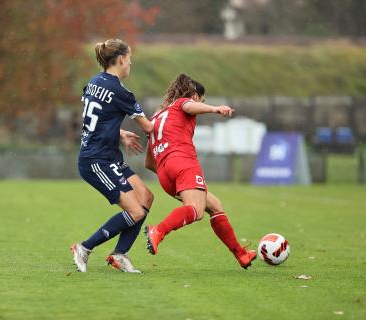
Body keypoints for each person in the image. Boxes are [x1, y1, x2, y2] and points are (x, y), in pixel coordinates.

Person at [144, 73, 257, 269]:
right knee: (196, 211)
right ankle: (158, 231)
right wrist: (215, 108)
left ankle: (241, 255)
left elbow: (148, 163)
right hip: (183, 162)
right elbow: (188, 105)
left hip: (164, 173)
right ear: (195, 95)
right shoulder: (183, 103)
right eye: (202, 99)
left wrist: (169, 170)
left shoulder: (157, 116)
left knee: (214, 205)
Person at [71, 39, 154, 273]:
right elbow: (149, 128)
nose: (130, 63)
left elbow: (94, 120)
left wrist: (119, 133)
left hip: (109, 156)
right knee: (136, 211)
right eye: (129, 58)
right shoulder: (121, 92)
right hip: (95, 161)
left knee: (146, 197)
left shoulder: (93, 82)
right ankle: (84, 248)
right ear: (120, 60)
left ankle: (119, 255)